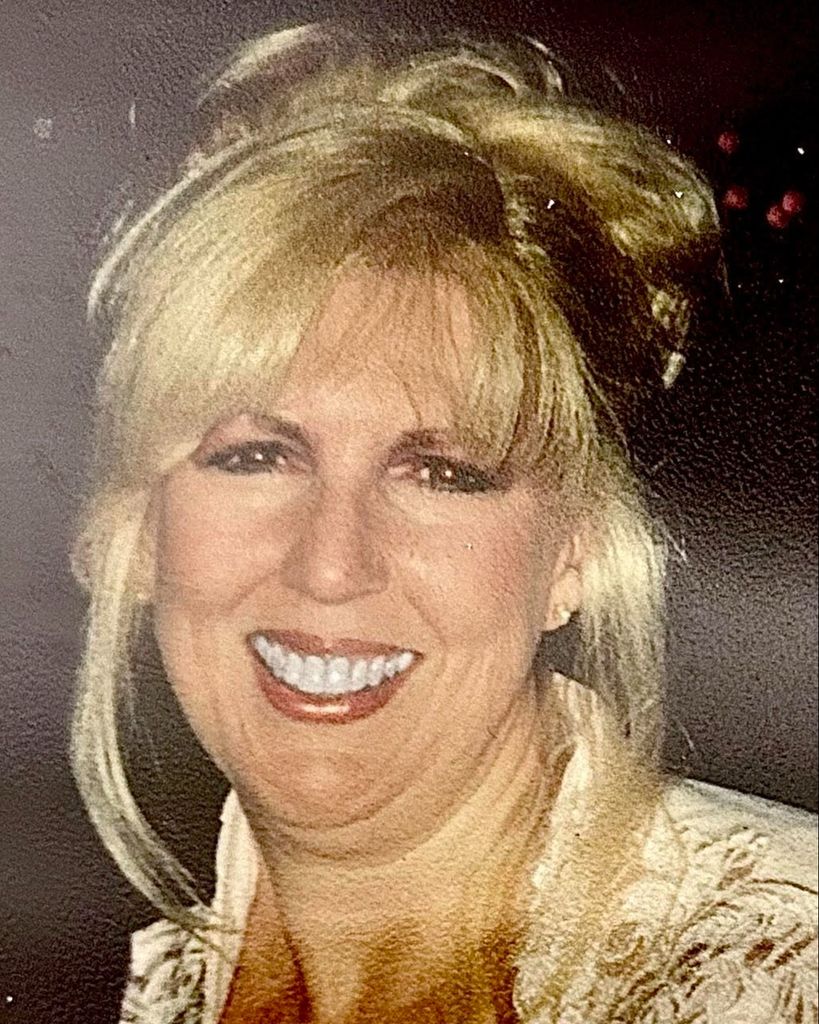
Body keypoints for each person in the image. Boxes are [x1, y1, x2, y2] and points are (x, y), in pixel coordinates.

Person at [69, 21, 817, 1023]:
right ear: (131, 532)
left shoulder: (774, 968)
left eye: (442, 472)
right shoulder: (151, 986)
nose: (331, 564)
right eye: (255, 456)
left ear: (574, 551)